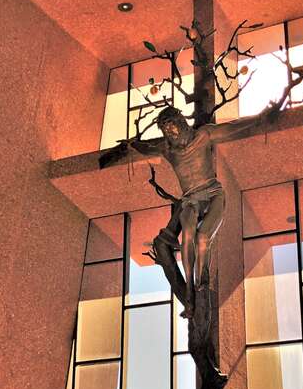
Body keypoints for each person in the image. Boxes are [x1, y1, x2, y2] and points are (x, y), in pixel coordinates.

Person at [120, 101, 291, 318]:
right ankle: (190, 292)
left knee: (202, 238)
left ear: (181, 122)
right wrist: (130, 145)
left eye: (173, 127)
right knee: (187, 234)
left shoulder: (204, 135)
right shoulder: (167, 149)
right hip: (190, 200)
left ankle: (201, 284)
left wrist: (260, 117)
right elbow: (146, 148)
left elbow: (233, 128)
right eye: (166, 131)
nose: (172, 134)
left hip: (212, 195)